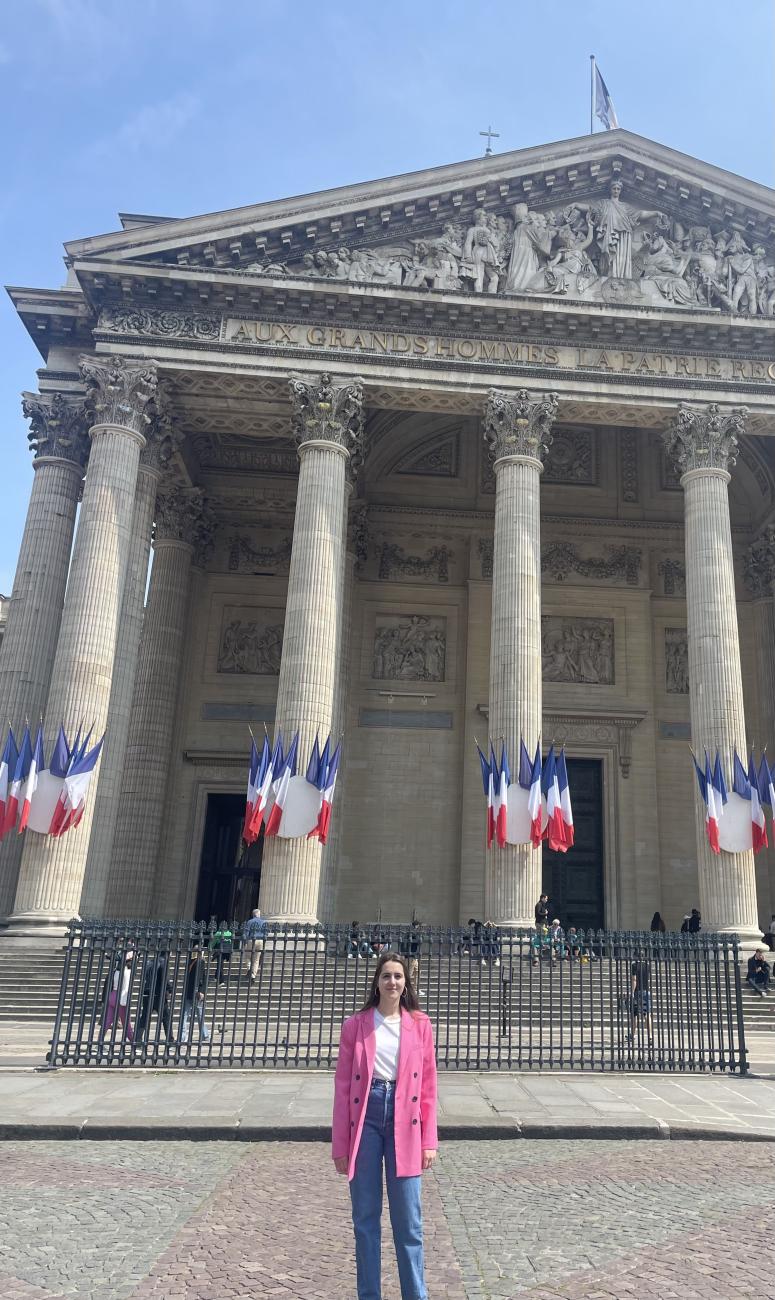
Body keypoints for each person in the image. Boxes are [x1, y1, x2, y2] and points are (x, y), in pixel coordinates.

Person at [332, 951, 438, 1300]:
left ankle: (416, 1295)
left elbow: (428, 1087)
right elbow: (343, 1090)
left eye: (398, 976)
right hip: (367, 1116)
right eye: (386, 976)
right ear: (376, 982)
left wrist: (429, 1140)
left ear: (406, 983)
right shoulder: (356, 1025)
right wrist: (340, 1146)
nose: (392, 982)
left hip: (405, 1120)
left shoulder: (420, 1024)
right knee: (365, 1220)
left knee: (409, 1221)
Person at [137, 950, 174, 1045]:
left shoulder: (149, 962)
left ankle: (138, 1040)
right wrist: (170, 989)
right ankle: (170, 1040)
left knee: (144, 1017)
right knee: (166, 1017)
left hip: (147, 993)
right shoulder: (163, 963)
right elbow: (164, 979)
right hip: (158, 995)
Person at [102, 949, 135, 1041]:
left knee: (107, 1021)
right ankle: (133, 1041)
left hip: (112, 995)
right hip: (120, 997)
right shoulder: (127, 971)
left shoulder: (116, 971)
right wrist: (125, 1002)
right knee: (126, 1023)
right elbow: (126, 988)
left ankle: (100, 1040)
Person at [181, 945, 210, 1043]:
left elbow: (202, 977)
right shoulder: (193, 961)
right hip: (191, 990)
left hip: (195, 991)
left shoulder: (199, 961)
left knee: (195, 1014)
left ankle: (204, 1034)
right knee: (189, 1014)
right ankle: (203, 1035)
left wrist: (201, 990)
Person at [630, 956, 653, 1044]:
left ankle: (632, 1035)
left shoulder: (634, 966)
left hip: (637, 992)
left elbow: (634, 979)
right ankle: (650, 1036)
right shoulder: (647, 966)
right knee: (647, 1014)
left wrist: (632, 992)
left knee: (635, 1014)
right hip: (646, 991)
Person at [242, 908, 267, 982]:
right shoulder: (263, 922)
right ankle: (253, 974)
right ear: (259, 914)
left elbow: (246, 932)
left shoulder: (250, 922)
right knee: (256, 959)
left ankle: (249, 968)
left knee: (248, 956)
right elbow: (266, 933)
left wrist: (245, 942)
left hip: (251, 940)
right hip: (260, 940)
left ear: (253, 915)